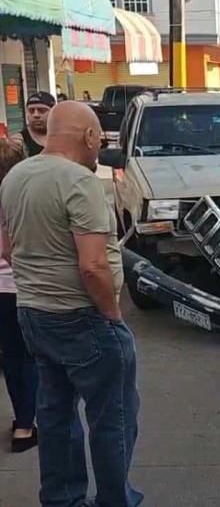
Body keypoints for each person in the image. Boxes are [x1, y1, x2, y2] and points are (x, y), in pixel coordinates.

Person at [0, 101, 143, 506]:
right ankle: (115, 499)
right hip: (84, 318)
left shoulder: (14, 178)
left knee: (56, 414)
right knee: (111, 418)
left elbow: (8, 250)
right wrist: (112, 316)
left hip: (33, 313)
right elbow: (93, 265)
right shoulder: (81, 183)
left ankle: (62, 499)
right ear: (90, 136)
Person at [0, 136, 38, 453]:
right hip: (20, 287)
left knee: (12, 357)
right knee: (29, 357)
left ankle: (22, 421)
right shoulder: (22, 195)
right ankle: (26, 424)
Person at [9, 91, 55, 157]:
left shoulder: (65, 136)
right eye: (31, 111)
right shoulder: (18, 143)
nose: (36, 115)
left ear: (54, 112)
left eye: (42, 110)